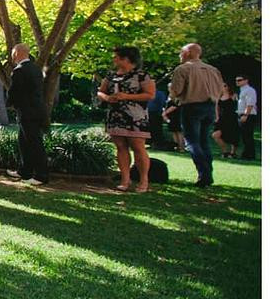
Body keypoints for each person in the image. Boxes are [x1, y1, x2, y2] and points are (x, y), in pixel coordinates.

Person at [97, 46, 156, 192]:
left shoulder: (142, 75)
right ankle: (125, 180)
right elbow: (100, 92)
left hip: (136, 117)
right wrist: (107, 98)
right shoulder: (111, 76)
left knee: (138, 147)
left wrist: (127, 96)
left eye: (116, 57)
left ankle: (143, 180)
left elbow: (150, 94)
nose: (114, 59)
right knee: (120, 147)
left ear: (126, 58)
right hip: (115, 115)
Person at [168, 43, 226, 187]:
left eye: (181, 52)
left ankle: (204, 173)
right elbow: (220, 91)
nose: (180, 55)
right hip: (210, 107)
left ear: (187, 53)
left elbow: (176, 90)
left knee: (192, 141)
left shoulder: (183, 68)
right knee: (204, 141)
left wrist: (173, 94)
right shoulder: (213, 70)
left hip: (192, 107)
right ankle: (208, 173)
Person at [6, 44, 50, 185]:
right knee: (24, 142)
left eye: (13, 53)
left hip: (27, 112)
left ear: (17, 53)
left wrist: (9, 103)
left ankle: (41, 175)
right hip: (37, 110)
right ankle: (24, 171)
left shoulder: (19, 70)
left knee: (34, 143)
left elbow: (15, 91)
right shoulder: (36, 69)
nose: (12, 57)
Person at [213, 83, 239, 158]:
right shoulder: (219, 96)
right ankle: (225, 151)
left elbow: (238, 106)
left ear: (228, 87)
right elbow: (216, 108)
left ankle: (233, 153)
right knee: (215, 135)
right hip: (222, 118)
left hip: (231, 118)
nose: (223, 87)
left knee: (232, 135)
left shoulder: (233, 95)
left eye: (225, 86)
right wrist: (217, 117)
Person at [235, 74, 258, 160]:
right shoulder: (242, 90)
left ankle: (249, 155)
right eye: (236, 80)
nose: (237, 82)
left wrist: (245, 115)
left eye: (240, 80)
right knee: (244, 136)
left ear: (246, 80)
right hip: (242, 114)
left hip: (248, 115)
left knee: (248, 136)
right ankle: (247, 154)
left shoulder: (249, 90)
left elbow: (250, 104)